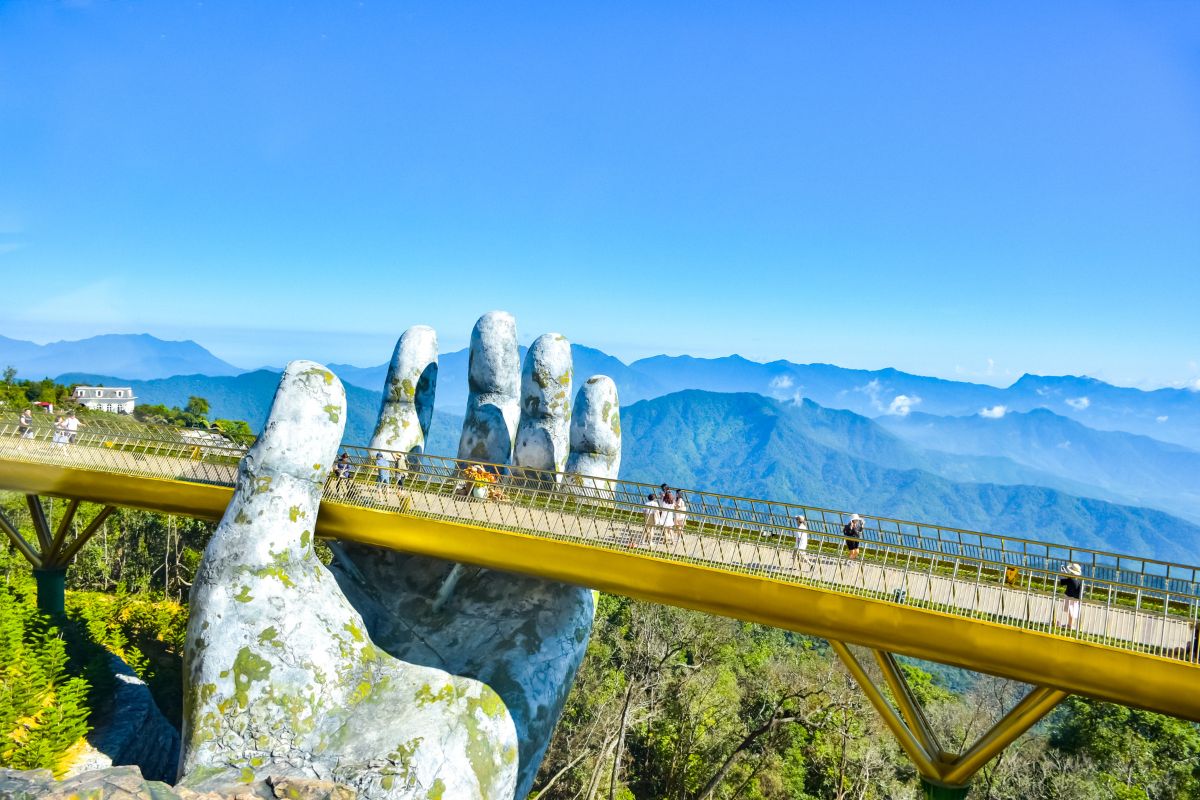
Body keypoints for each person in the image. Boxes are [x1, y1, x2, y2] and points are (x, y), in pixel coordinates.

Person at [1060, 562, 1083, 629]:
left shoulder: (1070, 580)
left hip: (1069, 596)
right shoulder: (1078, 581)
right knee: (1074, 611)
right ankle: (1071, 625)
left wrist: (1062, 574)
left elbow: (1062, 582)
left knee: (1070, 611)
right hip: (1076, 598)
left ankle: (1069, 625)